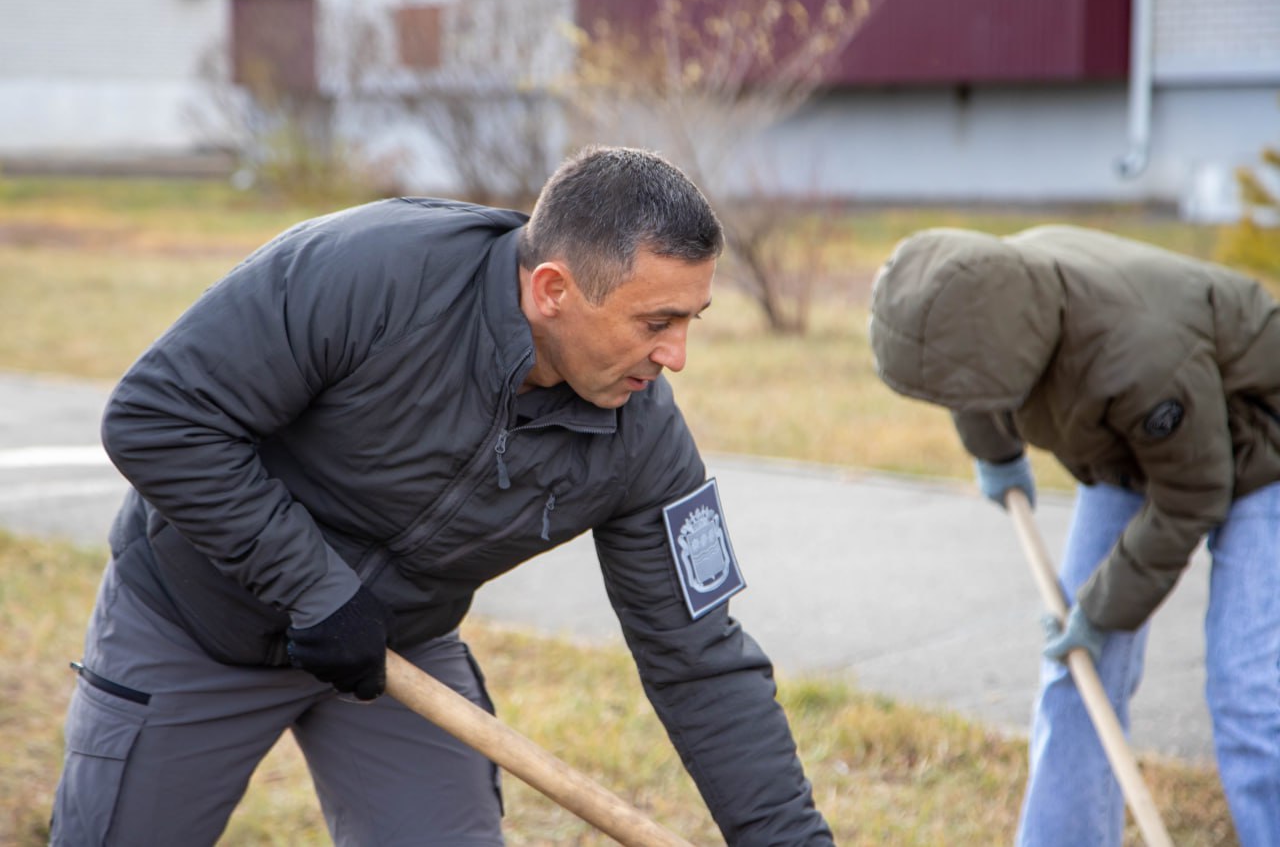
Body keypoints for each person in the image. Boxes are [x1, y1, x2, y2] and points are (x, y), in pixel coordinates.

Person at [51, 146, 833, 845]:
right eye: (656, 321)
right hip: (196, 622)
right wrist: (315, 591)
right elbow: (157, 417)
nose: (678, 356)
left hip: (392, 655)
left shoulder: (644, 438)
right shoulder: (370, 274)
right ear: (553, 290)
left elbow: (701, 660)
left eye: (691, 319)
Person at [866, 224, 1280, 846]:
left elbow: (1194, 492)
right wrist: (996, 454)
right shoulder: (986, 300)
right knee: (1074, 666)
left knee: (1249, 693)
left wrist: (1101, 608)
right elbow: (964, 378)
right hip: (1136, 448)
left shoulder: (1137, 356)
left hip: (1261, 441)